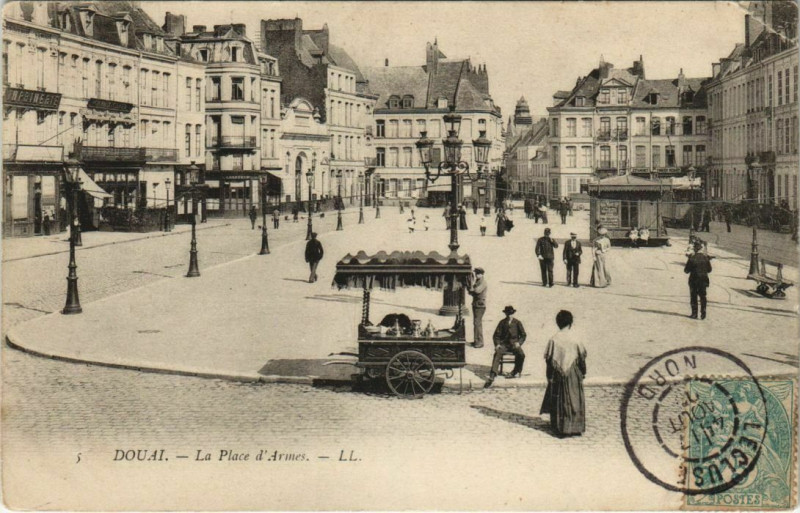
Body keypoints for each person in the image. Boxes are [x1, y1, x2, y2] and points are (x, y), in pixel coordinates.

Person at [540, 310, 587, 437]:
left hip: (558, 374)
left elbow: (549, 360)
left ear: (558, 323)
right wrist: (583, 371)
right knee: (575, 399)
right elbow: (582, 358)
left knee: (560, 399)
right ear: (571, 322)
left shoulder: (554, 339)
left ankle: (561, 427)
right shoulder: (576, 338)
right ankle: (576, 428)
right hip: (573, 373)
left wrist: (549, 376)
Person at [484, 305, 527, 387]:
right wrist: (497, 344)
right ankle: (492, 375)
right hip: (504, 344)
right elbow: (496, 335)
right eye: (508, 314)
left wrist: (519, 343)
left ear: (513, 314)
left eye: (511, 314)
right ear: (505, 314)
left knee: (521, 355)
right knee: (497, 353)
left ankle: (516, 371)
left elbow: (523, 335)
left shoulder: (517, 323)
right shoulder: (502, 323)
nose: (509, 316)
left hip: (514, 344)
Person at [685, 240, 712, 319]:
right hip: (703, 280)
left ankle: (694, 314)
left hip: (694, 280)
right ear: (701, 249)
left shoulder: (692, 258)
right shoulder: (705, 258)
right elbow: (709, 270)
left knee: (694, 297)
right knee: (703, 296)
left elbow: (686, 271)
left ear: (694, 249)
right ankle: (703, 313)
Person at [467, 268, 488, 348]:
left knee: (477, 323)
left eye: (478, 274)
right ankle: (476, 341)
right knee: (476, 323)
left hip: (480, 305)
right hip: (476, 304)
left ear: (482, 274)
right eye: (476, 274)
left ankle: (479, 342)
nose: (476, 275)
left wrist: (471, 288)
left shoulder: (483, 282)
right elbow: (473, 292)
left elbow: (477, 291)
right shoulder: (478, 281)